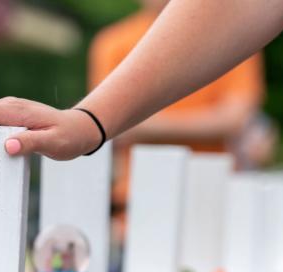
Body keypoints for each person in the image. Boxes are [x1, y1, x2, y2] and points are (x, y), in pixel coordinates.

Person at [0, 0, 283, 161]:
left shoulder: (234, 45)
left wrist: (129, 126)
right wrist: (91, 121)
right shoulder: (113, 43)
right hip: (131, 206)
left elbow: (235, 120)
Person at [88, 0, 264, 208]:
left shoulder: (235, 38)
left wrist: (142, 125)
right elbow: (106, 123)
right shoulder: (112, 42)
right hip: (136, 198)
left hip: (211, 196)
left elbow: (234, 120)